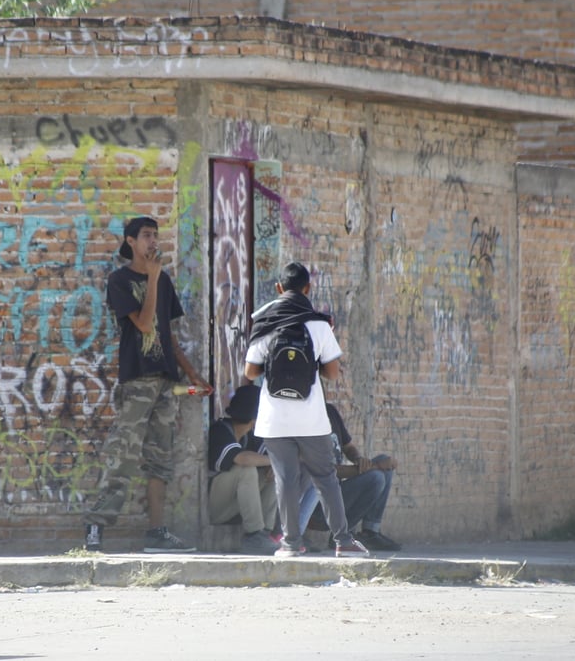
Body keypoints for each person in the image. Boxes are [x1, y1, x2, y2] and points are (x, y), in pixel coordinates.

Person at [83, 216, 213, 553]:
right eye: (145, 236)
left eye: (155, 235)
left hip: (166, 380)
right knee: (123, 453)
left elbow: (165, 335)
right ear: (130, 241)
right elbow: (143, 324)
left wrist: (192, 373)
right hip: (137, 378)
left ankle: (157, 533)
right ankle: (96, 525)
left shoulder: (163, 280)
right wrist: (152, 278)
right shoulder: (120, 280)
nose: (152, 241)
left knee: (160, 459)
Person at [243, 262, 369, 558]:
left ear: (278, 289)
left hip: (274, 419)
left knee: (285, 479)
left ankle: (290, 544)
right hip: (311, 418)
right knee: (325, 477)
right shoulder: (319, 325)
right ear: (307, 288)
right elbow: (333, 372)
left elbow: (250, 372)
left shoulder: (265, 321)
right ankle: (344, 541)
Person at [297, 403, 401, 552]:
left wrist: (358, 459)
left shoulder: (329, 411)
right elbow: (325, 471)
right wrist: (374, 466)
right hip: (318, 506)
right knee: (376, 477)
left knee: (384, 464)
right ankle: (343, 535)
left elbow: (348, 446)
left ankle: (370, 532)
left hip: (337, 495)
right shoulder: (303, 420)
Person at [207, 384, 279, 555]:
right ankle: (254, 536)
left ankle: (264, 534)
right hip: (214, 509)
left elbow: (268, 456)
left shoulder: (249, 436)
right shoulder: (220, 430)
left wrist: (274, 465)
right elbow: (243, 459)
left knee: (275, 473)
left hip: (233, 507)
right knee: (247, 470)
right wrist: (275, 462)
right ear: (255, 418)